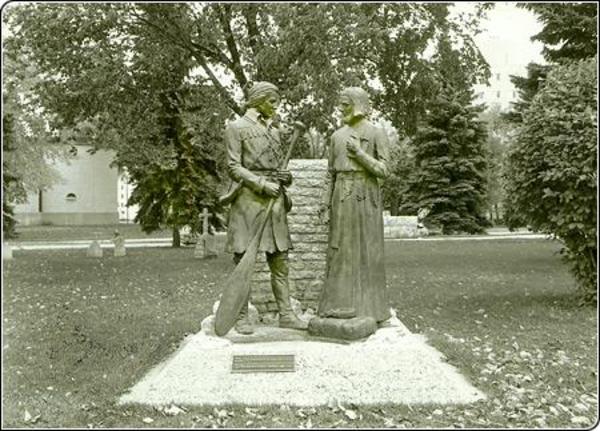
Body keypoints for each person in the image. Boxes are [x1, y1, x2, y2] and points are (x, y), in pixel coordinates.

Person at [222, 81, 308, 334]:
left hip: (276, 202)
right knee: (243, 261)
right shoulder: (236, 128)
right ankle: (240, 317)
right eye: (272, 101)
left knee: (280, 260)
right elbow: (233, 167)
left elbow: (279, 167)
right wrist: (261, 184)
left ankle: (286, 314)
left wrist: (285, 178)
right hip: (248, 201)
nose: (276, 106)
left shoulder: (275, 130)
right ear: (259, 100)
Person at [317, 87, 391, 325]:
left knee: (368, 251)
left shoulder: (376, 133)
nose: (341, 109)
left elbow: (384, 170)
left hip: (366, 195)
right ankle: (337, 305)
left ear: (358, 104)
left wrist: (360, 154)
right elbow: (330, 174)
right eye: (340, 104)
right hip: (341, 195)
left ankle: (371, 308)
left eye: (345, 104)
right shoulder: (336, 136)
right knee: (340, 251)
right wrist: (324, 203)